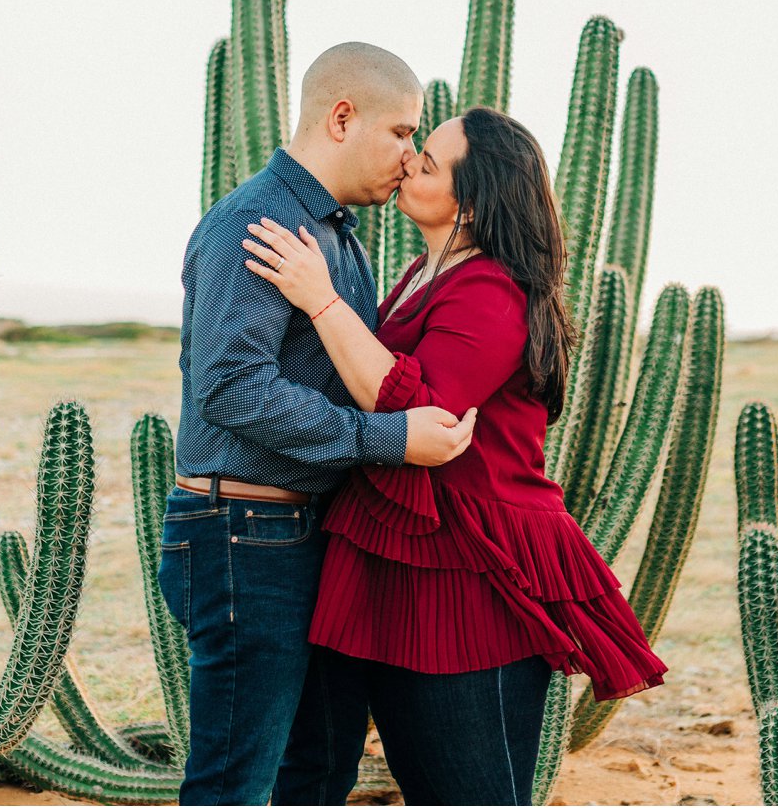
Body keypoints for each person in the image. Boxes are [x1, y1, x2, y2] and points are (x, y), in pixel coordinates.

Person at [243, 106, 670, 805]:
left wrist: (320, 301)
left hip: (472, 571)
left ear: (471, 204)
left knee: (469, 792)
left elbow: (418, 411)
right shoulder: (424, 269)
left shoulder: (492, 288)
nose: (409, 161)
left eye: (430, 161)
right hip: (400, 549)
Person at [162, 41, 480, 806]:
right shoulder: (260, 221)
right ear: (343, 117)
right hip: (242, 530)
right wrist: (389, 439)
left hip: (299, 535)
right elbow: (232, 387)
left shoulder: (337, 234)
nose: (410, 157)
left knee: (317, 772)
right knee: (233, 784)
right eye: (402, 133)